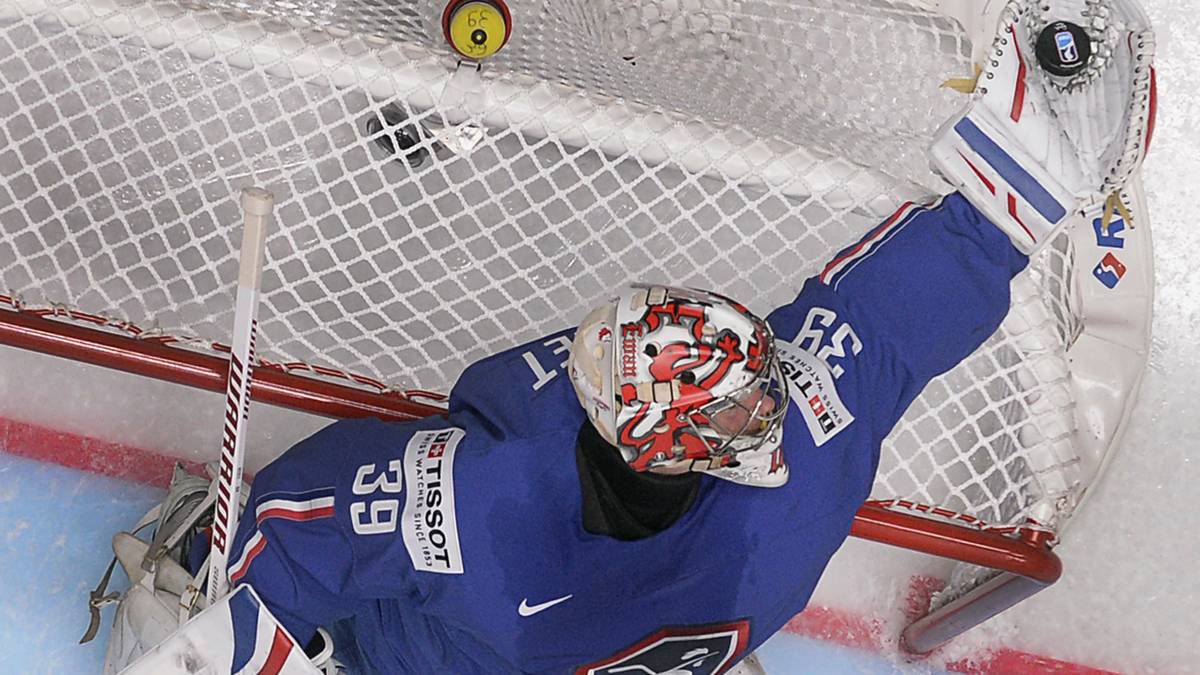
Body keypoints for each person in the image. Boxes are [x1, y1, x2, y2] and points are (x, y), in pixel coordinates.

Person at [102, 1, 1155, 672]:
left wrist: (218, 631)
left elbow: (306, 519)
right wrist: (1031, 174)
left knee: (298, 613)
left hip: (426, 654)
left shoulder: (483, 504)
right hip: (655, 635)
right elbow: (891, 314)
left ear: (616, 430)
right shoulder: (806, 463)